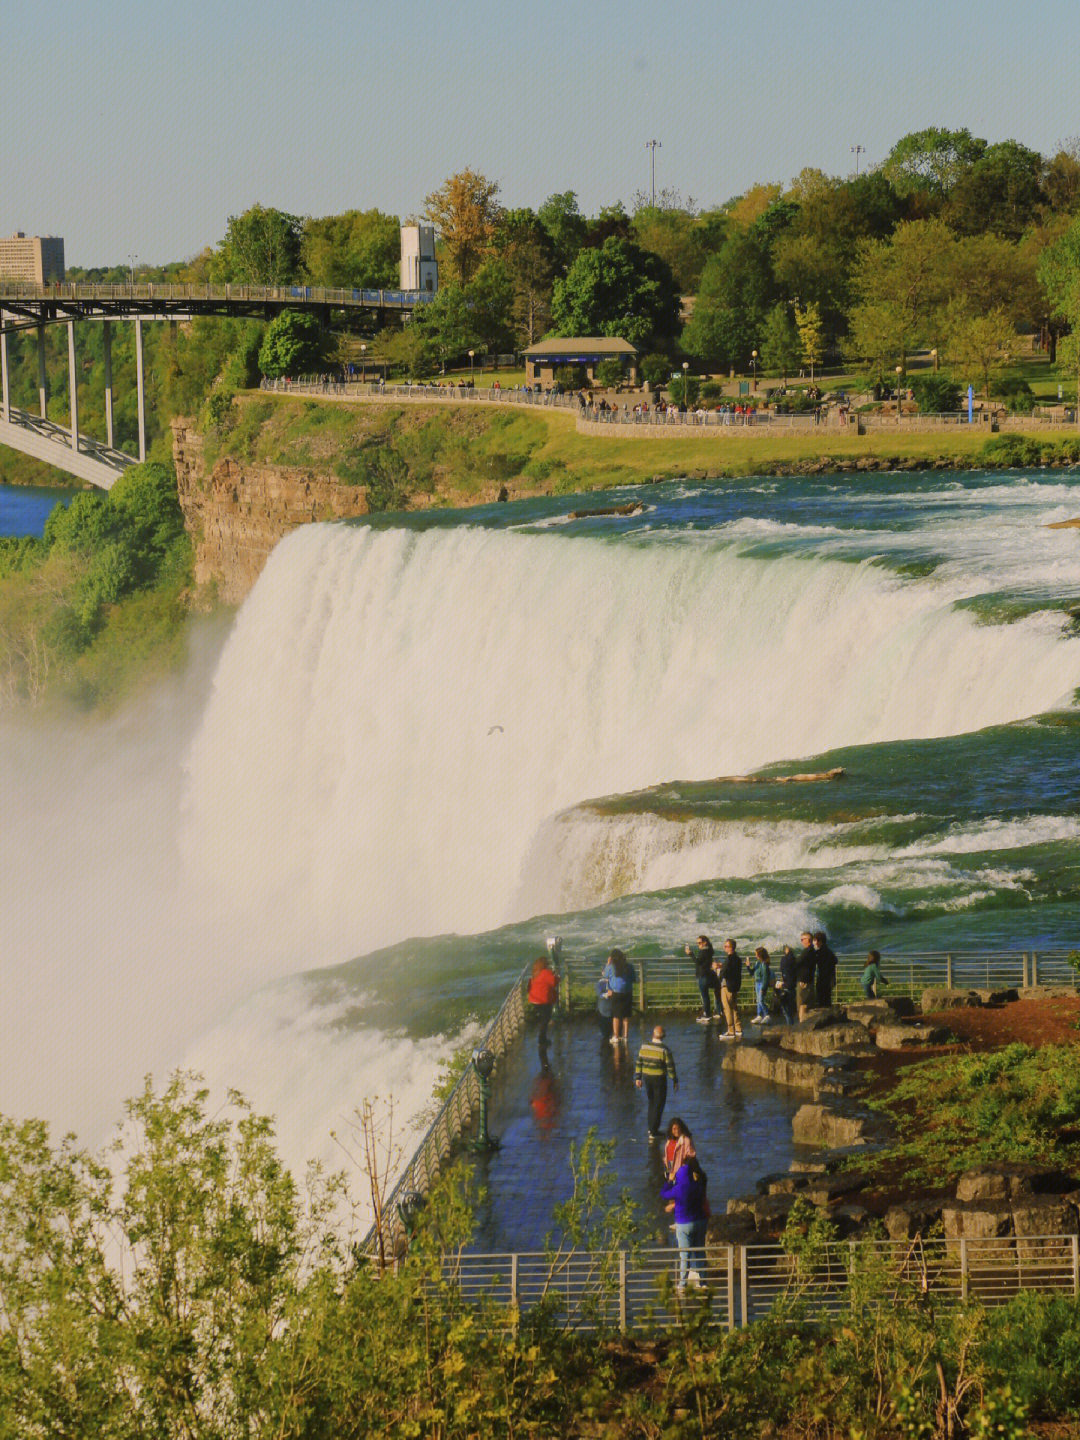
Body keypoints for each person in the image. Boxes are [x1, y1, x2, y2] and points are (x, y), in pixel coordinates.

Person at [661, 1152, 709, 1290]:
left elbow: (663, 1194)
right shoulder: (697, 1186)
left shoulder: (678, 1188)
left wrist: (670, 1181)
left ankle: (682, 1284)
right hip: (700, 1221)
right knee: (700, 1252)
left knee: (685, 1255)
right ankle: (703, 1282)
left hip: (683, 1224)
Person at [635, 1024, 678, 1140]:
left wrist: (638, 1077)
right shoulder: (664, 1050)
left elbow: (639, 1062)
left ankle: (651, 1128)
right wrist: (674, 1080)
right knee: (659, 1104)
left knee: (651, 1102)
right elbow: (670, 1067)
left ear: (653, 1034)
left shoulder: (644, 1047)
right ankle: (654, 1131)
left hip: (647, 1077)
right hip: (659, 1078)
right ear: (663, 1037)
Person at [601, 948, 635, 1045]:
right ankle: (625, 1036)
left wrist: (607, 963)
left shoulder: (611, 967)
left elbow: (604, 976)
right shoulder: (629, 966)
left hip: (615, 993)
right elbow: (633, 979)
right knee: (626, 1016)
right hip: (627, 992)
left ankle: (615, 1036)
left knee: (616, 1016)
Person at [526, 955, 559, 1048]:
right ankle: (542, 1040)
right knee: (545, 1021)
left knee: (543, 1020)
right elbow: (554, 982)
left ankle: (542, 1039)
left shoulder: (535, 973)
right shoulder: (545, 973)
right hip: (543, 1001)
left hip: (534, 1000)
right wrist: (556, 976)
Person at [686, 935, 719, 1022]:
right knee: (709, 995)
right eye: (697, 943)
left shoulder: (704, 951)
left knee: (705, 996)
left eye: (700, 943)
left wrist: (691, 954)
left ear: (705, 942)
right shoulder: (709, 950)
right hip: (706, 974)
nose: (698, 945)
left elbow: (698, 962)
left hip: (702, 976)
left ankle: (707, 1014)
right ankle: (717, 1011)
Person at [717, 938, 743, 1040]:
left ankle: (731, 1031)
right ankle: (738, 1029)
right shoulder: (737, 958)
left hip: (727, 986)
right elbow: (732, 969)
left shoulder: (729, 959)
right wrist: (722, 966)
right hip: (735, 985)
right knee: (734, 1007)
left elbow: (726, 973)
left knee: (727, 1008)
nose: (724, 947)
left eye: (726, 946)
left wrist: (719, 970)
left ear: (731, 947)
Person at [813, 931, 839, 1008]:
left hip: (823, 979)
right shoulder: (828, 951)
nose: (814, 942)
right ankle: (828, 1016)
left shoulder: (820, 952)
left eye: (815, 940)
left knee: (822, 1000)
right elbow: (835, 960)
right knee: (827, 999)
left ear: (820, 942)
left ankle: (825, 1017)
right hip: (828, 978)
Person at [795, 930, 817, 1022]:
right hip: (809, 980)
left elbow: (798, 962)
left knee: (802, 1004)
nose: (801, 941)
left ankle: (802, 1024)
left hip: (804, 982)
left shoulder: (807, 952)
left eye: (802, 939)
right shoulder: (813, 951)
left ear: (808, 940)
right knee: (808, 1004)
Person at [750, 946, 773, 1024]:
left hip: (762, 983)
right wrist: (747, 966)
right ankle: (759, 1015)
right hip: (757, 983)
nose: (755, 955)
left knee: (761, 1000)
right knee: (758, 1000)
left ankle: (767, 1015)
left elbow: (766, 977)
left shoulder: (764, 964)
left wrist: (763, 988)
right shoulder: (757, 963)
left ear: (760, 955)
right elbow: (751, 973)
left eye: (756, 954)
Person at [777, 944, 798, 1026]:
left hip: (787, 986)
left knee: (786, 1010)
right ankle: (791, 1025)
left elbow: (782, 970)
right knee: (791, 1008)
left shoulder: (784, 959)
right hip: (793, 986)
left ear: (786, 950)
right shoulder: (795, 959)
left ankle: (790, 1027)